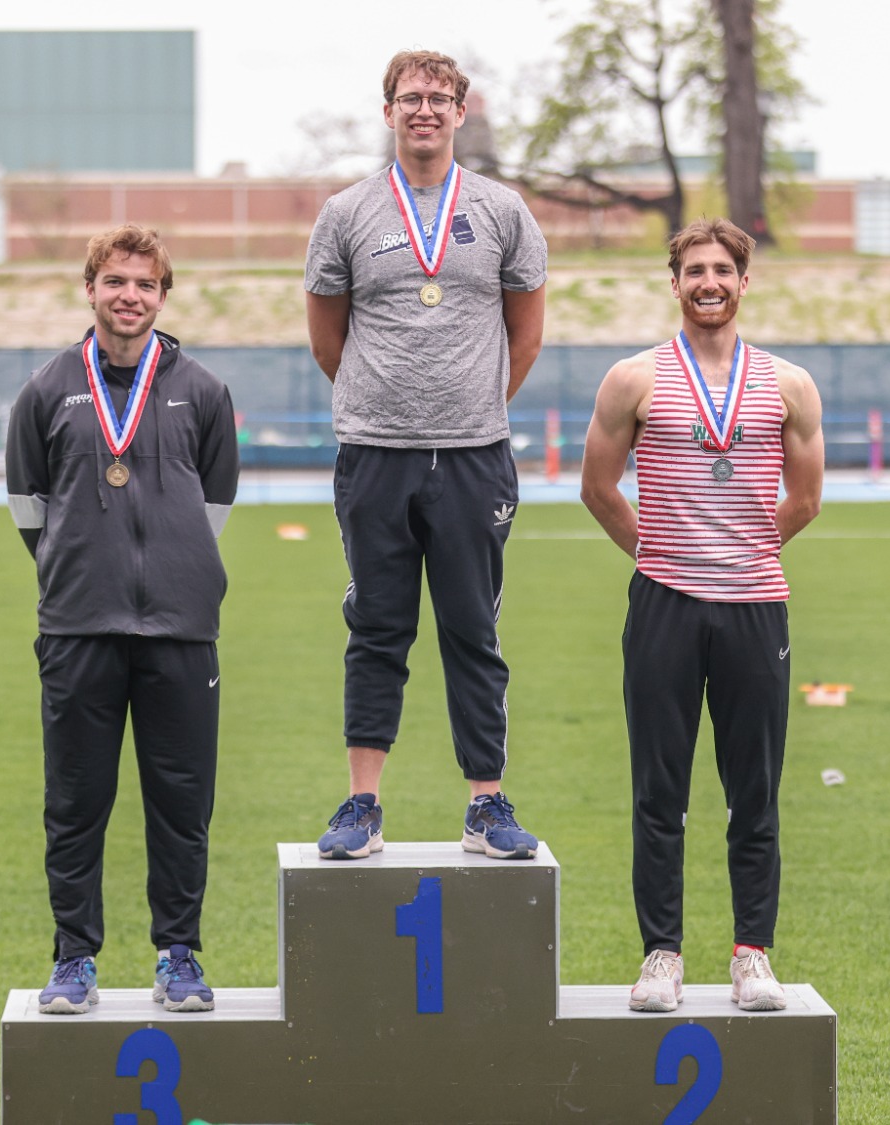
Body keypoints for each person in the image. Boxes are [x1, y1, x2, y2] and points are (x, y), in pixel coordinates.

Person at [302, 50, 548, 862]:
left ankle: (486, 803)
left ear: (460, 113)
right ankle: (362, 804)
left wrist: (469, 404)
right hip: (375, 454)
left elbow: (527, 332)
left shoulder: (503, 210)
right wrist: (388, 404)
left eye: (440, 98)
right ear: (388, 111)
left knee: (474, 630)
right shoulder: (346, 213)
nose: (426, 110)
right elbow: (327, 337)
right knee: (376, 628)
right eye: (411, 97)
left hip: (476, 456)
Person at [578, 219, 825, 1013]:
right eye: (693, 270)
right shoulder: (633, 380)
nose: (708, 281)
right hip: (664, 605)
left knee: (753, 793)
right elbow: (598, 487)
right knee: (660, 791)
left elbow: (808, 498)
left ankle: (753, 954)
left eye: (723, 269)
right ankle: (662, 956)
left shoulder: (789, 384)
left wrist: (745, 552)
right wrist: (664, 552)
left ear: (745, 282)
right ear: (674, 282)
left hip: (756, 608)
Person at [5, 224, 240, 1015]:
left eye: (144, 284)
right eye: (115, 282)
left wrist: (172, 565)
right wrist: (83, 566)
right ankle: (74, 957)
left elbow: (214, 504)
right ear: (90, 289)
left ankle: (179, 954)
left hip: (180, 628)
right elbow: (28, 508)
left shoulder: (202, 390)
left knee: (181, 800)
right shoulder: (44, 389)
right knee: (74, 800)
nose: (129, 296)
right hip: (77, 627)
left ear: (163, 296)